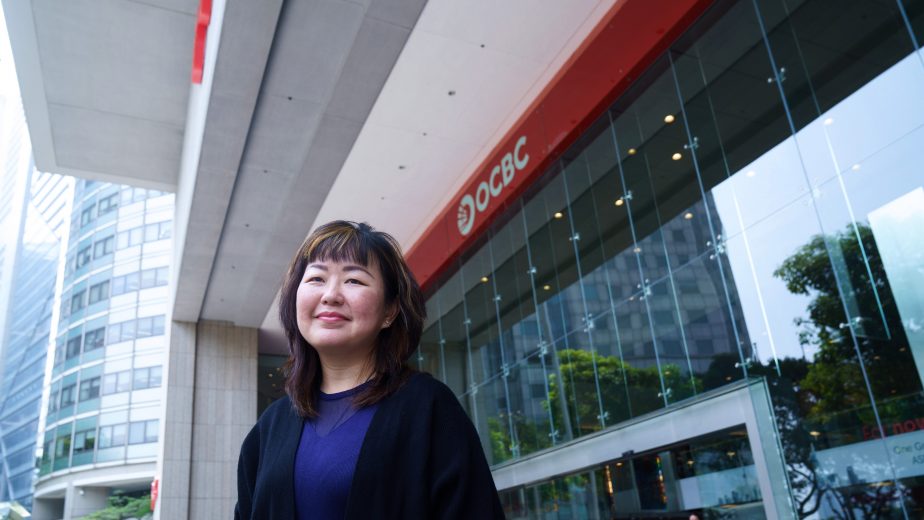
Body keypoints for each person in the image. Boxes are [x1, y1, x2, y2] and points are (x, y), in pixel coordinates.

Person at [235, 220, 505, 519]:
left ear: (389, 311)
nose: (331, 295)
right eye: (316, 279)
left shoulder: (428, 408)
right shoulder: (271, 426)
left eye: (354, 280)